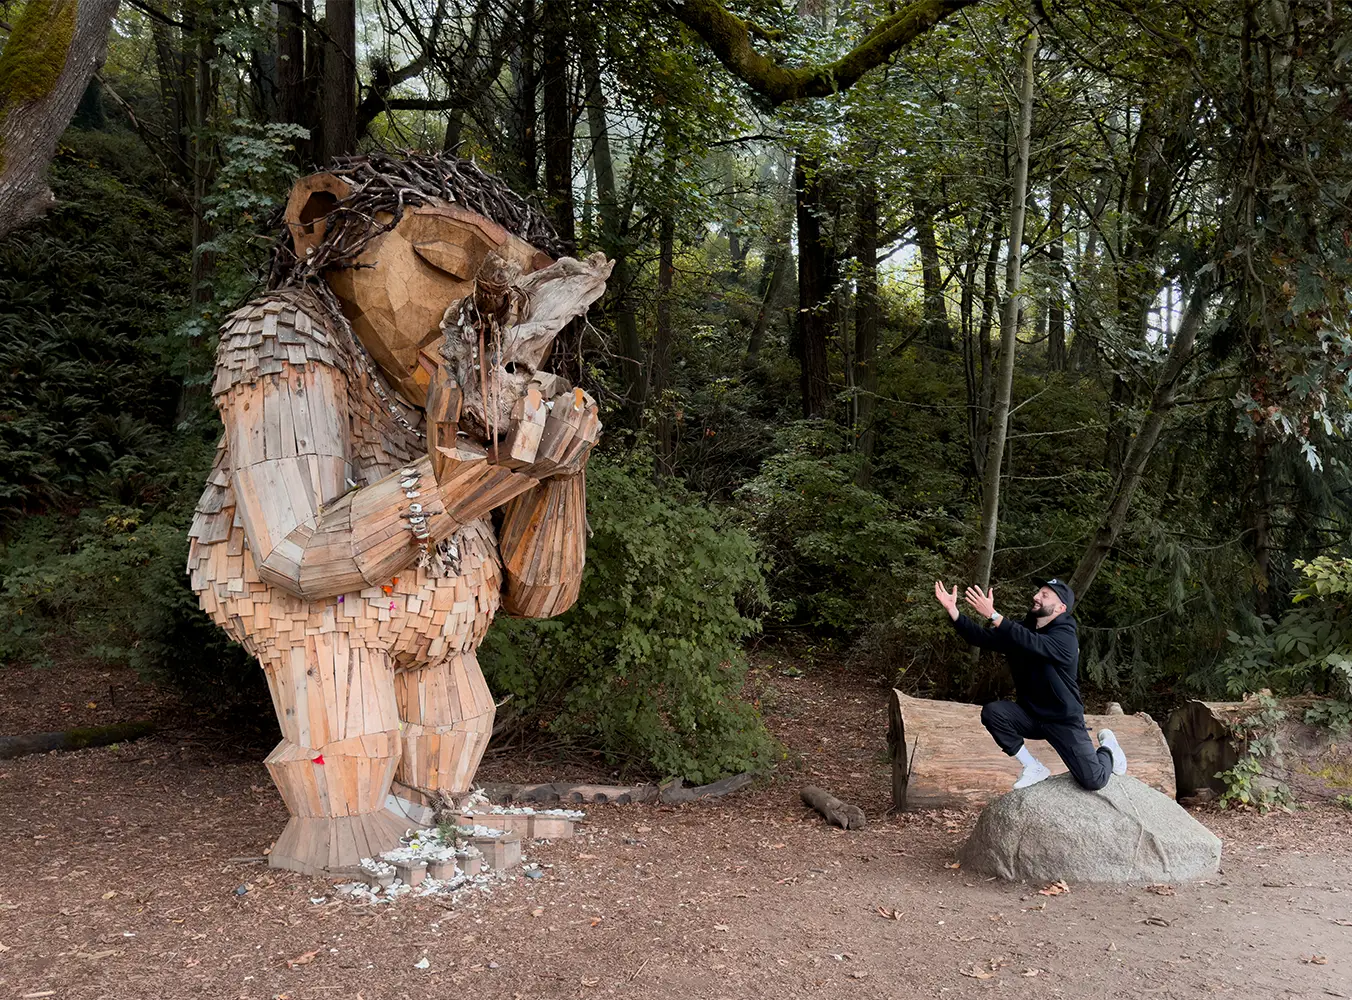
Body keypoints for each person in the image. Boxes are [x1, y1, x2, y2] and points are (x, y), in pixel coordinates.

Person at [933, 577, 1127, 791]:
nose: (1036, 597)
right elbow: (982, 638)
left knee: (1093, 780)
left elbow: (1035, 644)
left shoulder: (1066, 637)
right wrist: (953, 611)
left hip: (1062, 719)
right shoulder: (1021, 630)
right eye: (1038, 592)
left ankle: (1109, 749)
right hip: (1031, 715)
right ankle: (1032, 766)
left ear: (1060, 608)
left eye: (1045, 595)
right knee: (993, 712)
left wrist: (994, 615)